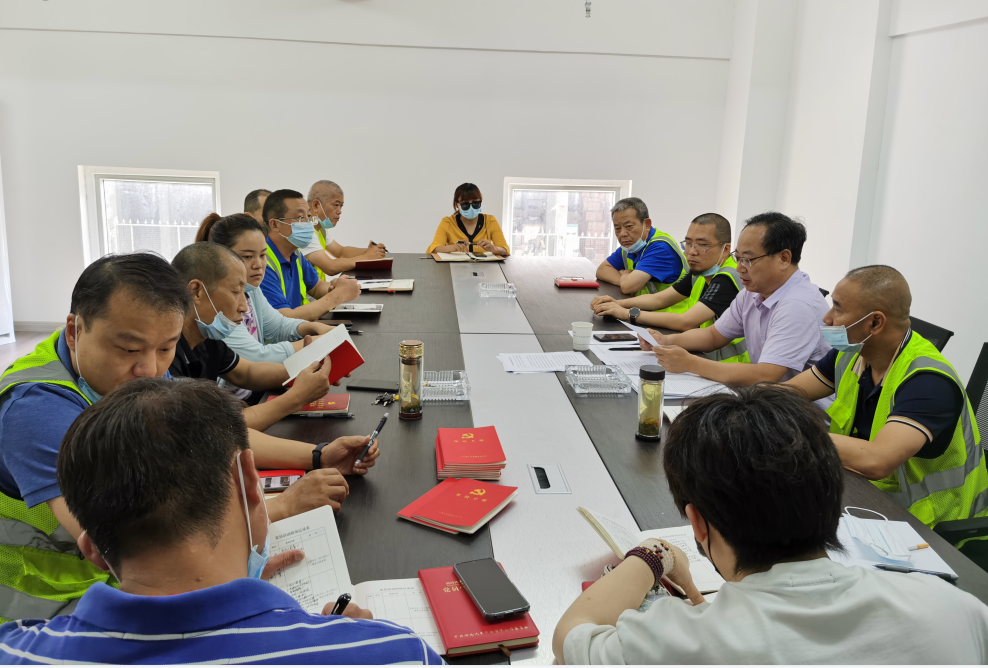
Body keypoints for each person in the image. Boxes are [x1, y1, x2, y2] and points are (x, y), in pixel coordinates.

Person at [0, 253, 346, 623]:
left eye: (166, 348)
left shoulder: (132, 373)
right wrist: (278, 510)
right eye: (129, 349)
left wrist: (317, 455)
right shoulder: (34, 409)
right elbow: (128, 547)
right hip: (52, 612)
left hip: (125, 586)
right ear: (74, 332)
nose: (150, 368)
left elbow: (210, 434)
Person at [0, 378, 444, 664]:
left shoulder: (15, 651)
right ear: (251, 482)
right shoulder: (392, 654)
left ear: (92, 548)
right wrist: (352, 644)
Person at [553, 384, 988, 664]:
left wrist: (654, 554)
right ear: (831, 494)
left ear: (697, 524)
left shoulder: (674, 644)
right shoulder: (955, 608)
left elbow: (571, 637)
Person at [786, 265, 988, 545]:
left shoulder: (928, 382)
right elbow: (789, 393)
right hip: (864, 495)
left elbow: (877, 460)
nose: (828, 317)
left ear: (875, 323)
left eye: (838, 308)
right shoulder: (851, 354)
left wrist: (787, 434)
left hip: (930, 529)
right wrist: (747, 408)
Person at [643, 212, 831, 386]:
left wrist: (690, 363)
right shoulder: (753, 292)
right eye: (738, 258)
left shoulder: (798, 305)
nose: (739, 268)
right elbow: (714, 335)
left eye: (748, 260)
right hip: (768, 395)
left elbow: (767, 374)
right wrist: (665, 341)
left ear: (784, 258)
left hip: (801, 407)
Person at [196, 213, 332, 400]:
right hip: (235, 402)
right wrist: (314, 345)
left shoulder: (252, 289)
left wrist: (313, 328)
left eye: (263, 255)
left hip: (255, 392)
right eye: (247, 256)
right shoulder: (217, 306)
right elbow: (258, 358)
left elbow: (278, 325)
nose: (259, 265)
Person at [591, 213, 744, 360]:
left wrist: (627, 313)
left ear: (725, 249)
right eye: (688, 243)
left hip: (731, 367)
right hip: (702, 352)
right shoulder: (699, 272)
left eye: (702, 245)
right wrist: (618, 303)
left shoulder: (727, 278)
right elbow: (659, 299)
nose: (692, 252)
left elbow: (686, 321)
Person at [260, 189, 361, 320]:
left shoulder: (295, 252)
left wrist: (335, 287)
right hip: (286, 332)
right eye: (300, 217)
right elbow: (284, 319)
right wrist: (337, 296)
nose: (308, 223)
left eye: (308, 216)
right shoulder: (262, 263)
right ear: (274, 224)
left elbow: (316, 287)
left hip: (299, 328)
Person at [595, 197, 687, 296]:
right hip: (641, 305)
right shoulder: (630, 247)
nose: (622, 234)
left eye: (629, 226)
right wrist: (624, 281)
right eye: (617, 228)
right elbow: (602, 270)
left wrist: (625, 275)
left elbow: (628, 287)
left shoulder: (661, 248)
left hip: (672, 306)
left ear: (647, 224)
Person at [302, 180, 388, 280]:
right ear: (316, 205)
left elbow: (340, 252)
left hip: (319, 288)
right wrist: (367, 257)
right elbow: (330, 267)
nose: (340, 211)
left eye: (341, 206)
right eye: (336, 205)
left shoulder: (321, 229)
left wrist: (369, 251)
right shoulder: (304, 232)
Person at [427, 183, 509, 255]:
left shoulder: (490, 221)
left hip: (485, 266)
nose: (471, 208)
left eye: (476, 203)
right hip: (455, 265)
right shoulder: (447, 222)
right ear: (457, 205)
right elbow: (434, 248)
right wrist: (453, 248)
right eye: (465, 204)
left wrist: (494, 249)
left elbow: (505, 250)